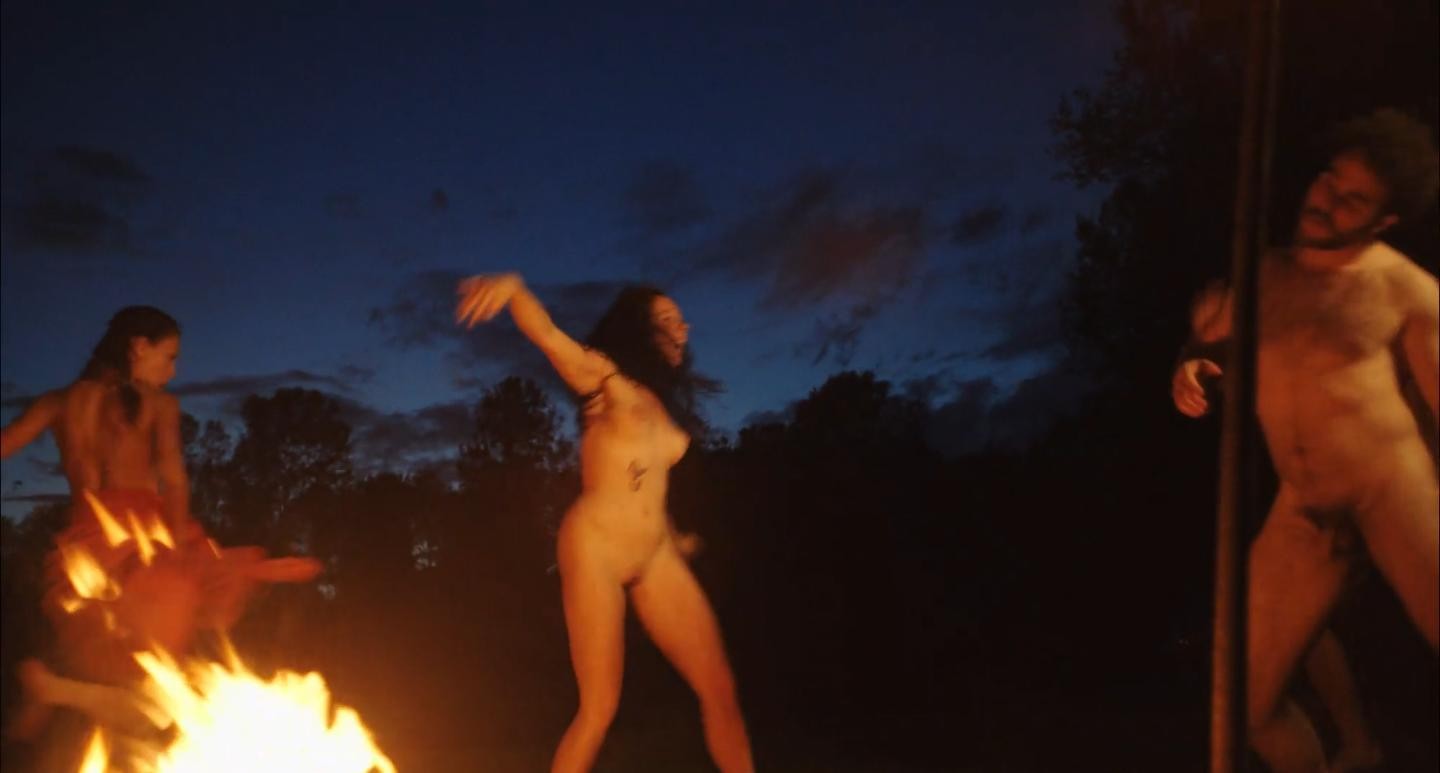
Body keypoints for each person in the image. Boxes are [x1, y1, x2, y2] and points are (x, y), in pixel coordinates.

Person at [1172, 109, 1439, 772]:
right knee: (1243, 705)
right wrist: (1190, 363)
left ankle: (1364, 741)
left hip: (1392, 497)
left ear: (1384, 221)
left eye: (1353, 199)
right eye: (1328, 179)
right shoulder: (1264, 273)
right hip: (1303, 510)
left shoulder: (1406, 289)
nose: (1326, 200)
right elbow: (1208, 343)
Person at [456, 275, 753, 773]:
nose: (682, 328)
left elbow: (649, 485)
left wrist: (675, 536)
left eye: (682, 320)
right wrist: (514, 290)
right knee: (599, 707)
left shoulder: (663, 408)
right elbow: (550, 337)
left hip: (655, 555)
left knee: (719, 687)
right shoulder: (604, 378)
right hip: (596, 546)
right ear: (640, 329)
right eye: (667, 319)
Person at [0, 306, 320, 752]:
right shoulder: (157, 405)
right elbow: (174, 480)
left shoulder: (59, 402)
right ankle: (57, 690)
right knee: (157, 693)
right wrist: (178, 553)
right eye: (169, 357)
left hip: (90, 547)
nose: (173, 371)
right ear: (138, 347)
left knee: (140, 682)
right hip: (144, 543)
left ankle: (59, 691)